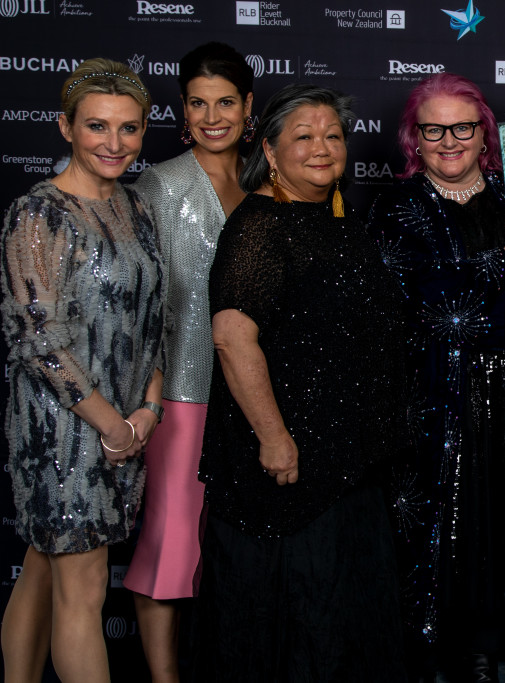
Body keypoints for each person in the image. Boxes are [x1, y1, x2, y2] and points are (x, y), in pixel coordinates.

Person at [187, 83, 407, 682]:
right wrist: (273, 437)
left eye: (333, 135)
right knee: (294, 616)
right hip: (289, 468)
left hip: (347, 460)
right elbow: (232, 338)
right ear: (270, 150)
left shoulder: (336, 216)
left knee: (339, 616)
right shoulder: (259, 227)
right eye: (304, 137)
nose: (321, 148)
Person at [367, 74, 505, 682]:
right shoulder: (396, 206)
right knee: (428, 520)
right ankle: (422, 647)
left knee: (493, 517)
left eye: (463, 127)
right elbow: (428, 303)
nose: (449, 141)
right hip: (427, 391)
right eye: (434, 130)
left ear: (485, 132)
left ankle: (481, 648)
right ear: (414, 138)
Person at [0, 58, 164, 683]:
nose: (114, 143)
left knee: (44, 568)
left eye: (129, 128)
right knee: (84, 586)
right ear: (66, 127)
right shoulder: (38, 213)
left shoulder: (137, 206)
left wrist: (148, 408)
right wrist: (113, 426)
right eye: (97, 126)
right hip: (61, 428)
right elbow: (38, 340)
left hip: (125, 421)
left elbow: (156, 320)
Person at [124, 42, 254, 683]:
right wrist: (150, 396)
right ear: (182, 109)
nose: (212, 117)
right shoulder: (159, 184)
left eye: (225, 102)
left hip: (254, 392)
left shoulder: (266, 178)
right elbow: (140, 304)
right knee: (170, 546)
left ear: (248, 105)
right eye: (198, 104)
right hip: (182, 389)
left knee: (236, 550)